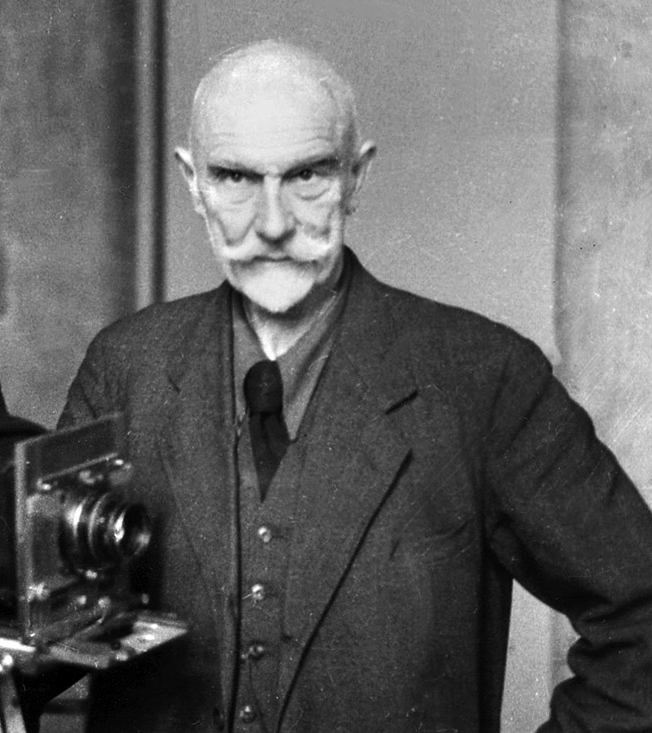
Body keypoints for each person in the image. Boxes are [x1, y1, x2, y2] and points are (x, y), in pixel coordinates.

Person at [59, 40, 652, 732]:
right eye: (235, 177)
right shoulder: (125, 366)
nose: (272, 223)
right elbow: (39, 632)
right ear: (193, 183)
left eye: (307, 175)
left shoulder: (485, 378)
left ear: (356, 177)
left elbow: (642, 617)